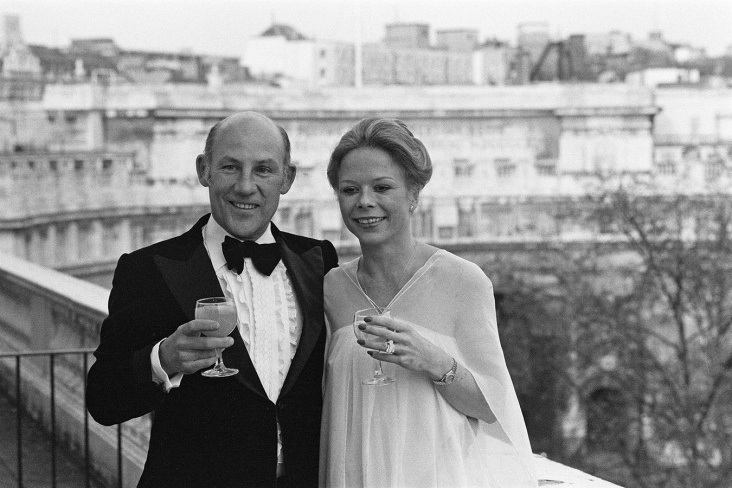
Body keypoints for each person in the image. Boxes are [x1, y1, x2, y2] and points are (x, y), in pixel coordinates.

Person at [86, 111, 338, 488]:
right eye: (230, 167)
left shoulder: (319, 260)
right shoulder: (149, 269)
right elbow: (103, 399)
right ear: (204, 170)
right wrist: (163, 359)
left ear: (287, 178)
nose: (245, 186)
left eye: (264, 169)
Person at [319, 118, 537, 487]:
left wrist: (435, 361)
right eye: (350, 189)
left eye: (382, 187)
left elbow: (494, 409)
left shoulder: (463, 281)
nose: (365, 201)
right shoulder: (330, 288)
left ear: (414, 194)